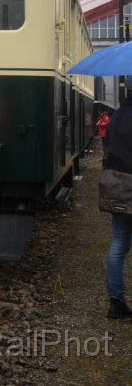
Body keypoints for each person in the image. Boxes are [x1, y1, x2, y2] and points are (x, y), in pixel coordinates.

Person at [100, 95, 132, 319]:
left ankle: (116, 302)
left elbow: (107, 147)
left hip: (119, 186)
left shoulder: (117, 115)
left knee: (119, 243)